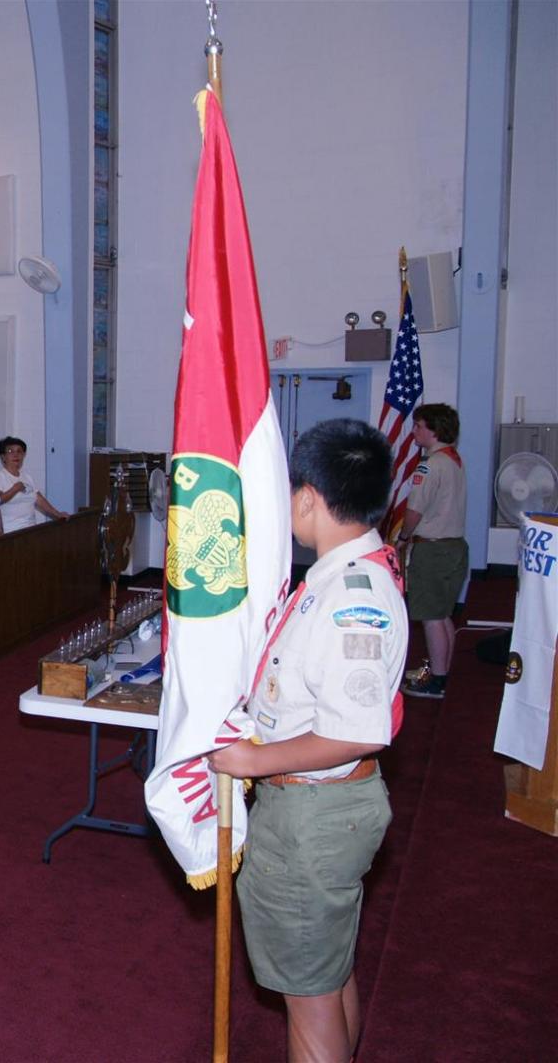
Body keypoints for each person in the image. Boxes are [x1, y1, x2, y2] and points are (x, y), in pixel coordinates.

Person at [206, 417, 404, 1063]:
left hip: (312, 814)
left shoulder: (352, 597)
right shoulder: (339, 574)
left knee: (308, 997)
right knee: (327, 972)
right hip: (322, 807)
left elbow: (356, 731)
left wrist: (253, 759)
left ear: (310, 498)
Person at [398, 403, 468, 700]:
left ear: (434, 430)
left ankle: (437, 682)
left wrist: (403, 537)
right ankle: (443, 671)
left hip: (433, 549)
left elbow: (415, 510)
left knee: (431, 617)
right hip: (454, 547)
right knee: (443, 615)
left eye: (419, 426)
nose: (414, 431)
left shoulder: (431, 465)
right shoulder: (454, 460)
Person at [0, 436, 68, 532]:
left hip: (30, 529)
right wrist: (15, 489)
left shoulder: (27, 477)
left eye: (19, 451)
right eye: (11, 451)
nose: (16, 455)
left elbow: (39, 500)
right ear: (3, 457)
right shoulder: (0, 476)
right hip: (11, 532)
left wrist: (58, 514)